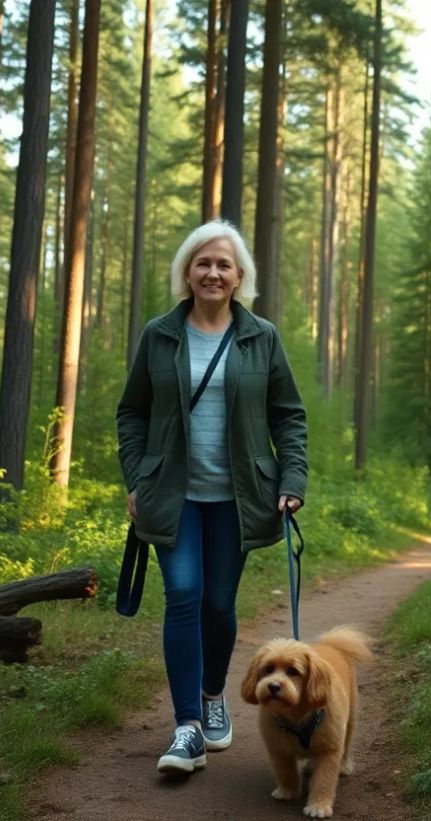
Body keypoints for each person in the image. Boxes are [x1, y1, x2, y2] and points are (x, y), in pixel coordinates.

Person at [116, 219, 308, 776]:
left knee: (218, 606)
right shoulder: (160, 334)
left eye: (223, 264)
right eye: (203, 263)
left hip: (237, 496)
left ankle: (211, 692)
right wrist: (137, 476)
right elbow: (132, 413)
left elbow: (288, 416)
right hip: (174, 494)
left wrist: (291, 480)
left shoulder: (261, 337)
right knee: (182, 594)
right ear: (187, 272)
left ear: (239, 276)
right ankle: (187, 728)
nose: (213, 272)